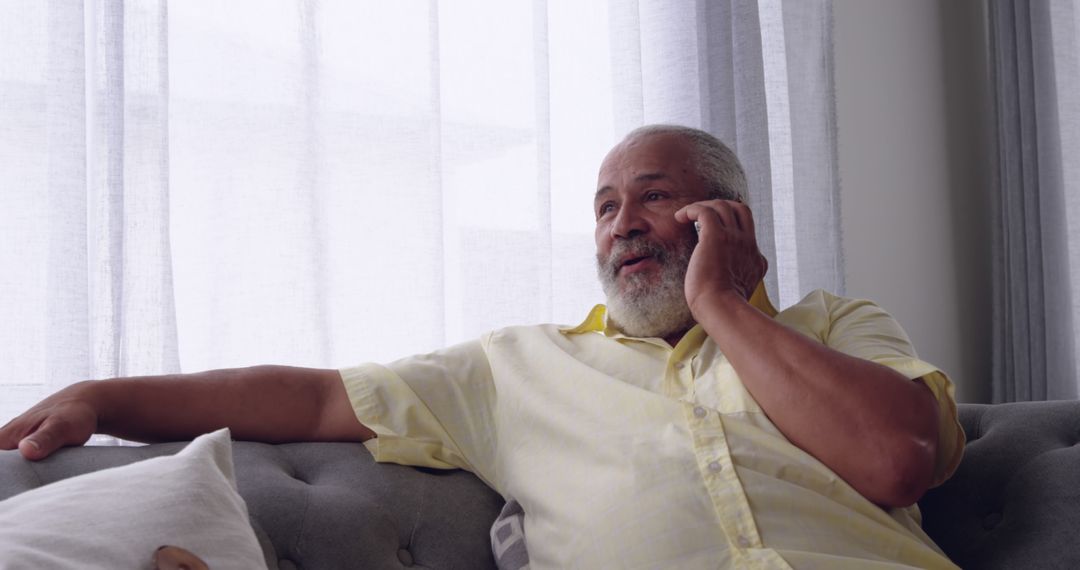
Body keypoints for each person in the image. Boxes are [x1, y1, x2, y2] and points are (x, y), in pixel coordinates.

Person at [0, 124, 964, 569]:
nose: (623, 223)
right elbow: (309, 400)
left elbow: (896, 457)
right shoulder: (516, 369)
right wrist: (104, 394)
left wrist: (721, 303)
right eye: (603, 207)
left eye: (656, 195)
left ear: (731, 217)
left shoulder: (836, 327)